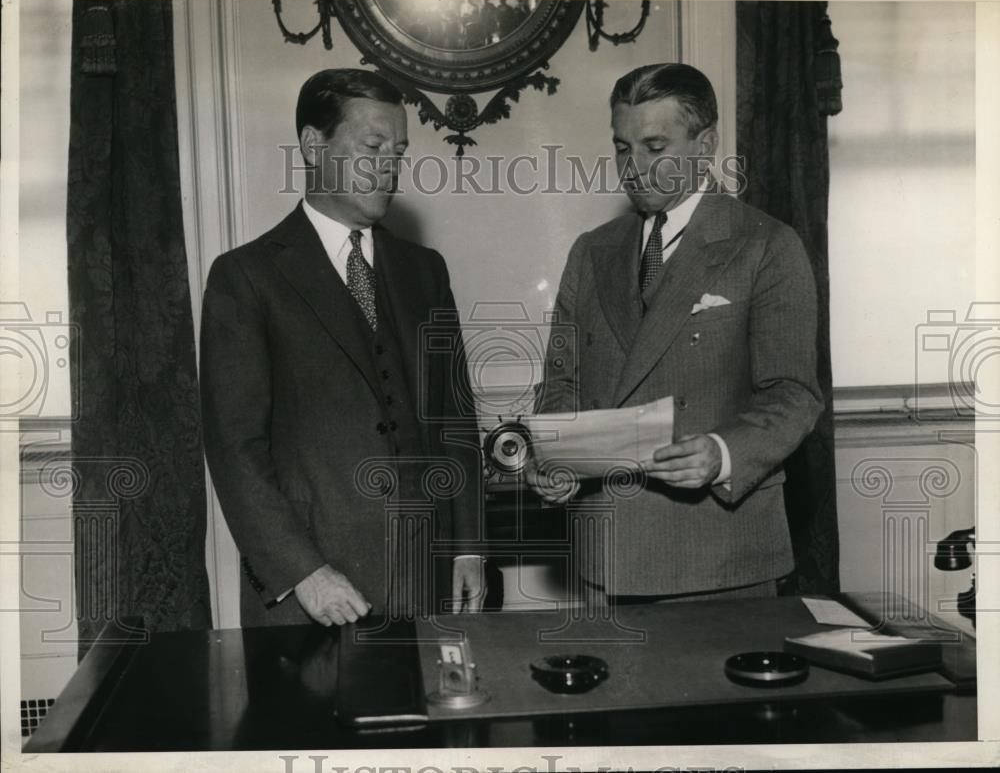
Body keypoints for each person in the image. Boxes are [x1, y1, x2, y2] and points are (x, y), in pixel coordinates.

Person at [529, 62, 823, 604]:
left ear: (705, 144)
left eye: (655, 147)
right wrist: (552, 456)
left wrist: (723, 452)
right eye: (622, 148)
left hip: (718, 553)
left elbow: (794, 393)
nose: (634, 168)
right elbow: (561, 382)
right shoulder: (592, 251)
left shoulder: (766, 245)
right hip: (606, 555)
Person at [200, 69, 484, 627]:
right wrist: (304, 572)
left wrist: (468, 545)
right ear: (313, 145)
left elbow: (455, 420)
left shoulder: (425, 272)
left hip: (424, 583)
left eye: (398, 151)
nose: (390, 166)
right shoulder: (245, 277)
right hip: (311, 594)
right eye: (372, 147)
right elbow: (235, 448)